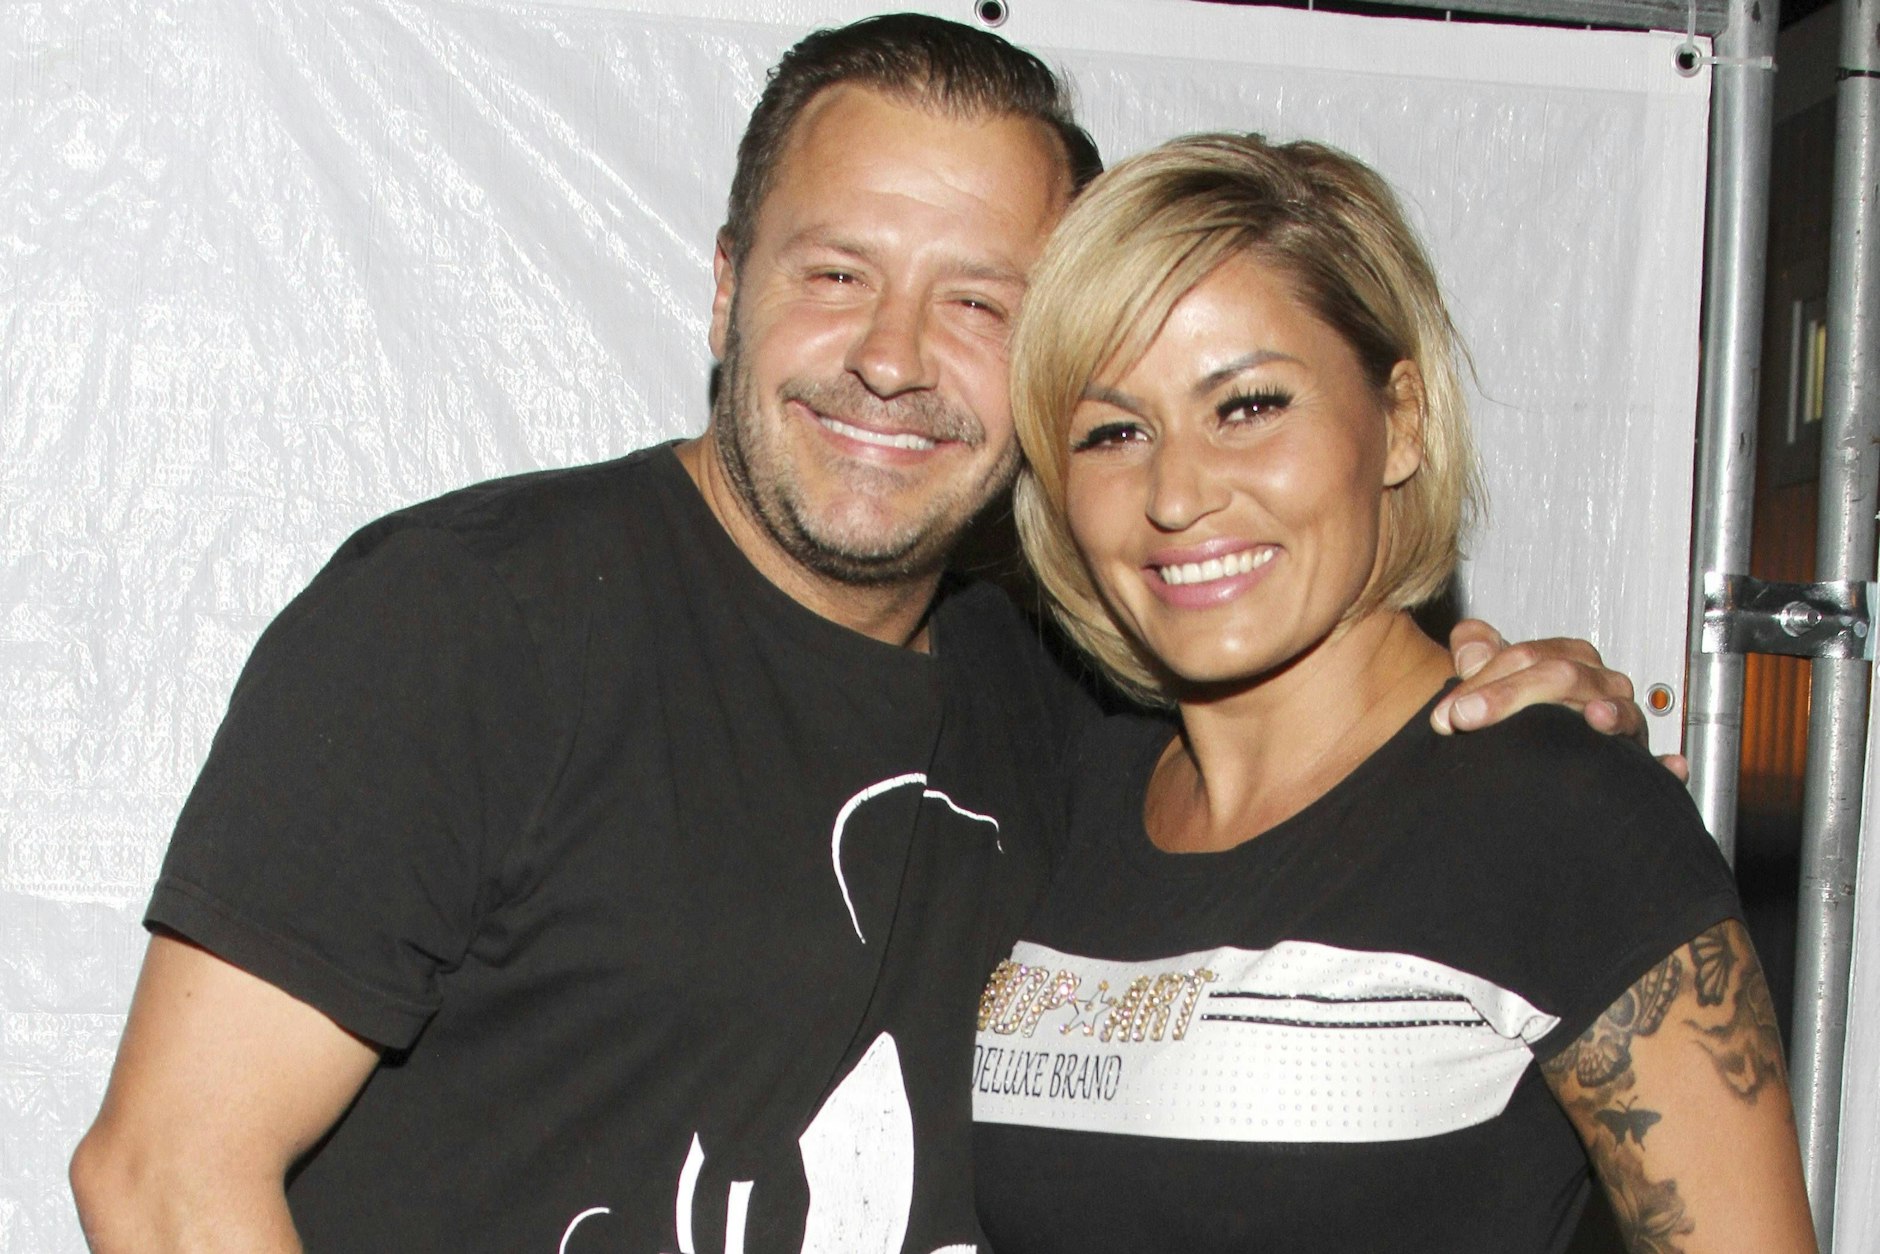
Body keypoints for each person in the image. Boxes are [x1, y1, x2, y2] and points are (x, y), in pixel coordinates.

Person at [69, 16, 1649, 1254]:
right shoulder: (474, 618)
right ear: (725, 289)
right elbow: (163, 1175)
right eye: (838, 272)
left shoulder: (1076, 694)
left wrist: (1505, 709)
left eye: (978, 303)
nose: (892, 359)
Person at [969, 132, 1814, 1253]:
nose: (1175, 493)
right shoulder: (1070, 787)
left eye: (1248, 405)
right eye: (1113, 431)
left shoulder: (1560, 811)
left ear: (1400, 420)